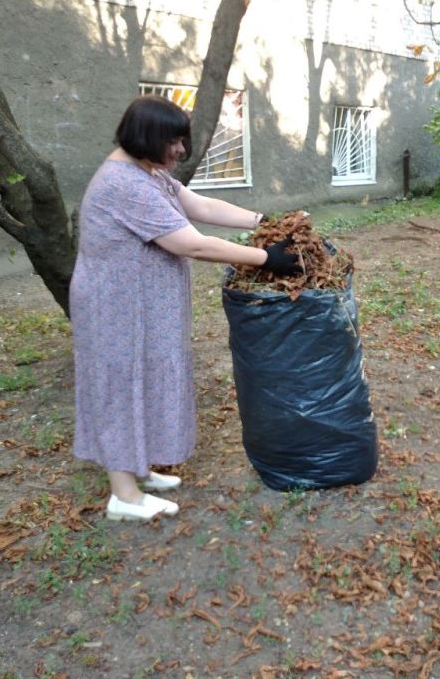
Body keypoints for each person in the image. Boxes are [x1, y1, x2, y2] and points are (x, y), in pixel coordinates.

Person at [71, 95, 301, 522]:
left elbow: (200, 207)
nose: (180, 150)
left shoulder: (150, 174)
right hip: (115, 305)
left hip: (139, 303)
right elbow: (189, 242)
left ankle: (135, 468)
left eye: (182, 141)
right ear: (147, 136)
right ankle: (124, 495)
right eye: (174, 141)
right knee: (122, 385)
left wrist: (263, 221)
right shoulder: (124, 184)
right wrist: (267, 259)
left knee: (146, 378)